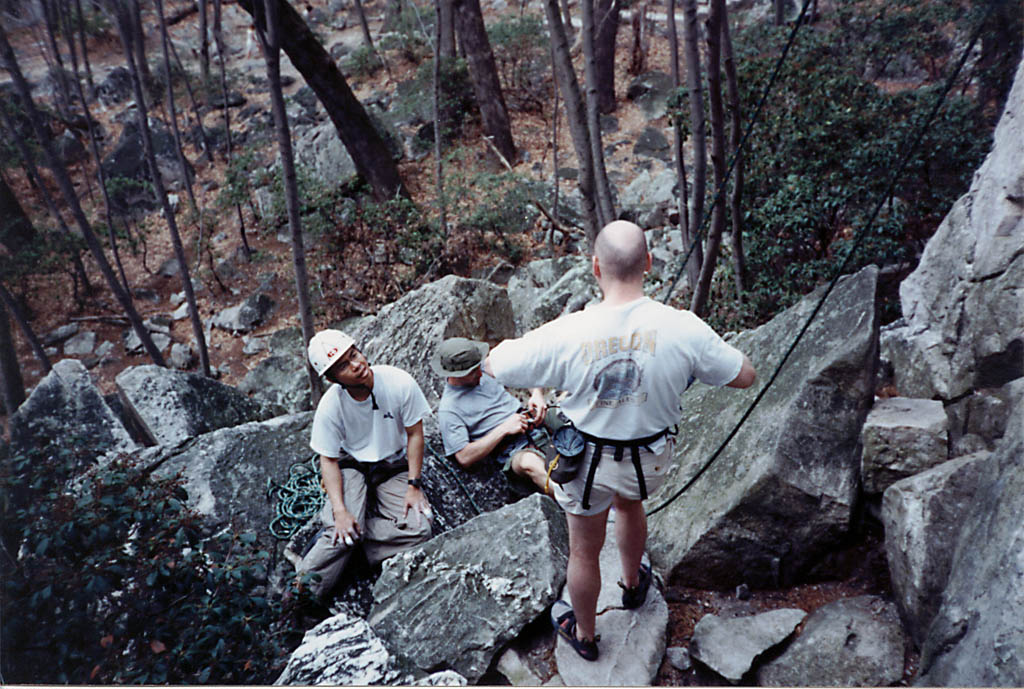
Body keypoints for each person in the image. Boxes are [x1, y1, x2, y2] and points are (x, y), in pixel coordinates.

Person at [484, 220, 756, 661]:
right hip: (650, 459)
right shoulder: (683, 326)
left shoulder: (569, 331)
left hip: (586, 463)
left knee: (584, 548)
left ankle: (586, 635)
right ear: (648, 263)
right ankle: (633, 584)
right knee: (630, 506)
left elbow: (496, 365)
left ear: (595, 268)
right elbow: (744, 376)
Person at [298, 329, 434, 599]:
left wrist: (413, 485)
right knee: (343, 529)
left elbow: (415, 434)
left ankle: (356, 547)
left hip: (392, 466)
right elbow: (328, 459)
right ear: (332, 378)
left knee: (421, 528)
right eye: (344, 366)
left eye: (354, 354)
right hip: (353, 466)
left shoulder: (398, 382)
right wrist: (339, 511)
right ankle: (302, 590)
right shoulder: (331, 406)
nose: (357, 365)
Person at [432, 337, 551, 496]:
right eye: (474, 372)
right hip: (510, 449)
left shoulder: (485, 367)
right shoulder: (450, 409)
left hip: (531, 420)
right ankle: (576, 506)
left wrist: (536, 394)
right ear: (458, 374)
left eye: (478, 367)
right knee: (530, 464)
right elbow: (464, 457)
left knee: (576, 413)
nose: (480, 373)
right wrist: (503, 429)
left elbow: (525, 366)